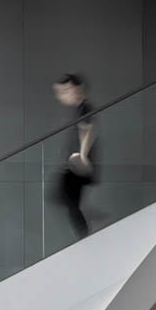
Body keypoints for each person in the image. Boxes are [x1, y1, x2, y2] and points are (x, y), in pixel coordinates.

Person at [53, 73, 96, 238]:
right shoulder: (79, 109)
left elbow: (88, 131)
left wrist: (82, 156)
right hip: (76, 164)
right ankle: (89, 225)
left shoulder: (85, 108)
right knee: (65, 198)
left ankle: (85, 234)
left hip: (79, 165)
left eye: (65, 90)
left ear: (77, 89)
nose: (61, 96)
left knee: (66, 198)